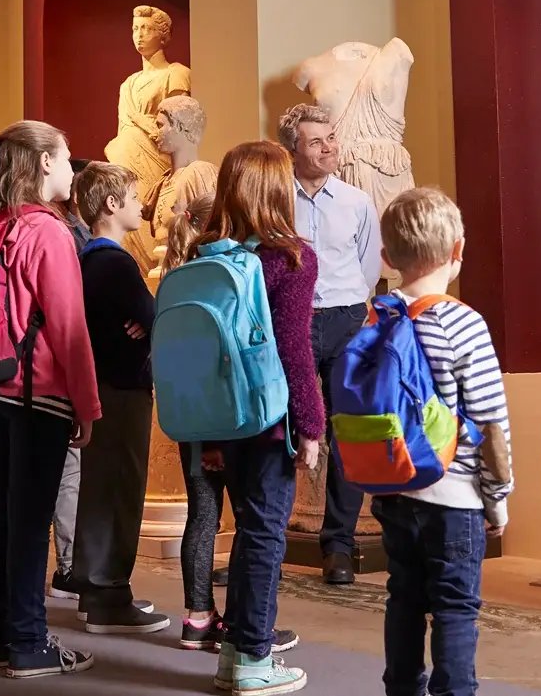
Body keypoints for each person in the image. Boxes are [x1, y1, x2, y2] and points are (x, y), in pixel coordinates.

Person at [0, 120, 104, 678]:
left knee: (2, 514)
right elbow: (69, 326)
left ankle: (4, 636)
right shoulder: (48, 231)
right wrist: (88, 406)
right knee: (29, 521)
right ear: (45, 162)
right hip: (39, 391)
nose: (72, 167)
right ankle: (28, 641)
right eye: (67, 157)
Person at [368, 187, 513, 696]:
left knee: (404, 598)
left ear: (387, 258)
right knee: (454, 607)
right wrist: (498, 497)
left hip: (393, 488)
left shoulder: (377, 317)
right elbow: (490, 421)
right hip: (453, 495)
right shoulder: (462, 322)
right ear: (457, 250)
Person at [198, 141, 320, 695]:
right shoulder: (290, 257)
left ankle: (233, 654)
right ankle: (253, 657)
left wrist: (206, 435)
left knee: (248, 528)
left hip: (219, 414)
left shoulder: (206, 255)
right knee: (266, 533)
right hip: (269, 416)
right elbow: (294, 348)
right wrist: (311, 424)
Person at [168, 193, 297, 655]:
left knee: (201, 516)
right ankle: (244, 626)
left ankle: (198, 618)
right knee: (250, 520)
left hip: (193, 418)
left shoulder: (185, 275)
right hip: (237, 416)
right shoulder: (238, 272)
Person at [64, 162, 171, 634]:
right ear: (111, 204)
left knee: (99, 489)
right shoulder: (116, 262)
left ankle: (94, 590)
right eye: (133, 197)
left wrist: (145, 322)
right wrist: (148, 323)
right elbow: (156, 317)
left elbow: (144, 319)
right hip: (123, 389)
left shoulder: (86, 259)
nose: (141, 206)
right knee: (121, 490)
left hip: (98, 385)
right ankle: (109, 595)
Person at [278, 103, 381, 584]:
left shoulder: (357, 202)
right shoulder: (276, 199)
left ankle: (338, 545)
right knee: (281, 427)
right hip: (292, 319)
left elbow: (368, 267)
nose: (328, 148)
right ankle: (268, 539)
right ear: (293, 150)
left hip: (345, 319)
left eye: (331, 137)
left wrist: (349, 308)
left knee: (348, 430)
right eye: (316, 141)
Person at [47, 157, 93, 601]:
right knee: (68, 472)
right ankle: (69, 566)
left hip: (40, 372)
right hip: (56, 371)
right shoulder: (68, 235)